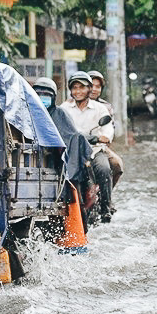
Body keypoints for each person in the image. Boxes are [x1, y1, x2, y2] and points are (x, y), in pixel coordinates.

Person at [61, 72, 115, 221]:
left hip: (94, 150)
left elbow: (108, 128)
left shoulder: (100, 108)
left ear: (89, 89)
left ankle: (106, 207)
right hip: (71, 153)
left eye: (82, 87)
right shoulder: (64, 108)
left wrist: (105, 137)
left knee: (104, 169)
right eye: (75, 88)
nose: (78, 91)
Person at [86, 70, 124, 187]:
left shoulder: (105, 107)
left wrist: (103, 141)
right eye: (91, 86)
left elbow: (109, 130)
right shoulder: (71, 105)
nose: (94, 89)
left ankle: (106, 196)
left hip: (98, 146)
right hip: (78, 144)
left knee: (117, 165)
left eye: (98, 86)